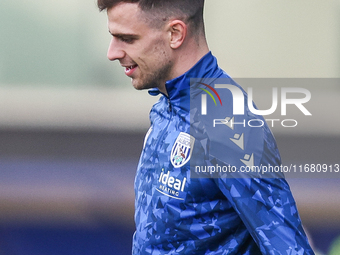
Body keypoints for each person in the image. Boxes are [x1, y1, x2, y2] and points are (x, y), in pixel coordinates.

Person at [97, 0, 315, 254]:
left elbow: (290, 249)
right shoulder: (166, 107)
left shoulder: (227, 126)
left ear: (175, 34)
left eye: (127, 38)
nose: (112, 52)